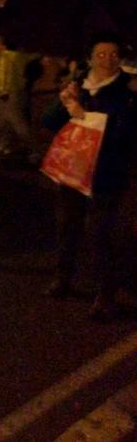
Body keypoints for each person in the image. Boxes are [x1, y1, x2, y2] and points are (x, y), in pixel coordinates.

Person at [41, 32, 136, 321]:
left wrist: (85, 114)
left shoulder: (127, 90)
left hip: (105, 173)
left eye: (112, 55)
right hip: (72, 170)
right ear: (89, 57)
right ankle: (63, 278)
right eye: (100, 54)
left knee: (100, 234)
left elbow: (126, 133)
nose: (107, 59)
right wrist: (64, 102)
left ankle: (105, 295)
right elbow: (49, 122)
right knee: (67, 226)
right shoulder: (79, 85)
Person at [0, 40, 41, 162]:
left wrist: (1, 90)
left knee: (16, 122)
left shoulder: (5, 57)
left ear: (3, 45)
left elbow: (2, 74)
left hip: (7, 92)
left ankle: (33, 150)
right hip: (20, 91)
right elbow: (34, 57)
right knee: (6, 120)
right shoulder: (22, 57)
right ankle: (5, 144)